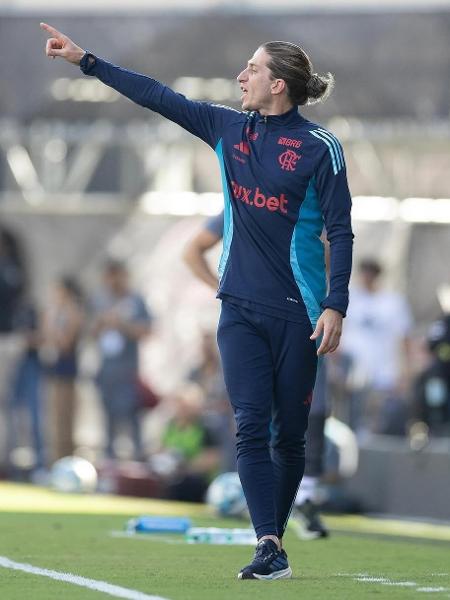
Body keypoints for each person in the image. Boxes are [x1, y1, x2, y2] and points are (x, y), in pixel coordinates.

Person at [41, 25, 353, 580]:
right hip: (237, 309)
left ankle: (273, 537)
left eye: (252, 69)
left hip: (299, 314)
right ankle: (267, 544)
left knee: (288, 436)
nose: (241, 76)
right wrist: (86, 60)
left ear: (278, 84)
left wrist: (335, 304)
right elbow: (159, 96)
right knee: (250, 425)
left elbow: (341, 231)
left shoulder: (319, 148)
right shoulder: (227, 128)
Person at [184, 211, 330, 538]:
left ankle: (295, 508)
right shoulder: (238, 204)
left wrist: (327, 301)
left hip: (300, 320)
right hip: (250, 324)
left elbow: (329, 249)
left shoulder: (302, 199)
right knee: (251, 425)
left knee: (298, 427)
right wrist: (225, 287)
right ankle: (266, 532)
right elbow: (192, 250)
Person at [339, 259, 413, 436]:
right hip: (354, 373)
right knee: (350, 419)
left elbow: (405, 338)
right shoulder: (348, 297)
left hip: (384, 373)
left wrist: (405, 372)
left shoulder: (393, 302)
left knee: (380, 423)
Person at [91, 259, 152, 461]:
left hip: (128, 369)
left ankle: (137, 459)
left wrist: (121, 324)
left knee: (131, 415)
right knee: (107, 417)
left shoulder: (135, 300)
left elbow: (146, 330)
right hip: (106, 369)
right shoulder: (99, 300)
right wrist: (101, 323)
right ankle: (109, 460)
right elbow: (89, 332)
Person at [41, 276, 84, 465]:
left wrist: (52, 328)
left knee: (66, 421)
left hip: (68, 373)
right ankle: (55, 460)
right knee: (54, 421)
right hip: (54, 372)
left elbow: (65, 342)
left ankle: (66, 460)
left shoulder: (72, 313)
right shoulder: (54, 313)